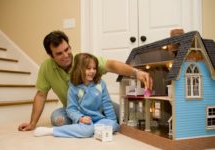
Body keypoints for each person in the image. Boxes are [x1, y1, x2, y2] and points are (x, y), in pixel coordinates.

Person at [18, 30, 152, 131]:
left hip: (97, 106)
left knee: (123, 115)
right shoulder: (46, 68)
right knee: (57, 119)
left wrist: (136, 72)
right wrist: (32, 123)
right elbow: (41, 95)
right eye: (59, 53)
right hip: (74, 109)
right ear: (50, 55)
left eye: (67, 49)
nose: (66, 55)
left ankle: (91, 123)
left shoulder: (83, 61)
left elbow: (110, 65)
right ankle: (86, 124)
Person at [34, 53, 119, 137]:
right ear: (79, 69)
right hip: (83, 120)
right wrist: (80, 118)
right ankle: (52, 131)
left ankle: (90, 130)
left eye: (94, 68)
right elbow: (71, 109)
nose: (92, 71)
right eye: (88, 68)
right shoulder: (73, 88)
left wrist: (113, 122)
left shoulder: (101, 84)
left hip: (99, 120)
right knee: (86, 131)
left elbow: (107, 104)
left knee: (113, 125)